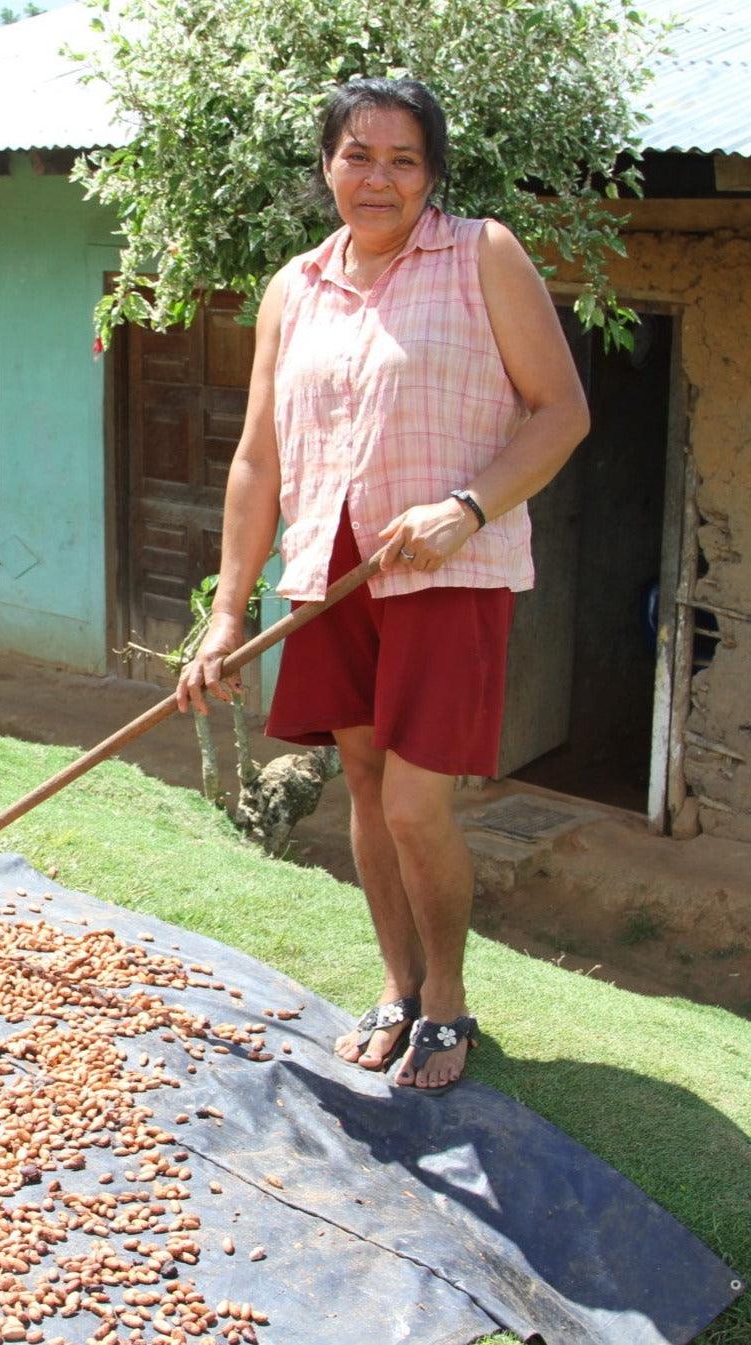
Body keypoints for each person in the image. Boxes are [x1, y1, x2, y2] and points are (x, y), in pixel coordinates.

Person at [175, 77, 589, 1092]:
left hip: (445, 572)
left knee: (413, 804)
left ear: (432, 175)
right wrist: (228, 608)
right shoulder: (292, 288)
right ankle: (397, 988)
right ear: (327, 167)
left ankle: (447, 1004)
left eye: (403, 159)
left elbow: (559, 411)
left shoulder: (480, 255)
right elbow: (258, 461)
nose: (378, 177)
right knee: (361, 785)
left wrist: (468, 506)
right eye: (358, 155)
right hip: (328, 574)